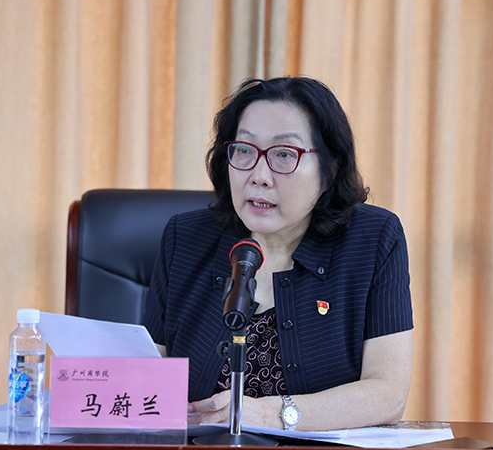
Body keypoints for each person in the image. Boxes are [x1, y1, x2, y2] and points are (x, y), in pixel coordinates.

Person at [142, 77, 413, 431]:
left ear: (329, 170)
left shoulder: (373, 239)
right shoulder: (185, 238)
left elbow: (387, 395)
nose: (259, 176)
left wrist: (272, 415)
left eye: (284, 154)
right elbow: (148, 376)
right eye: (244, 150)